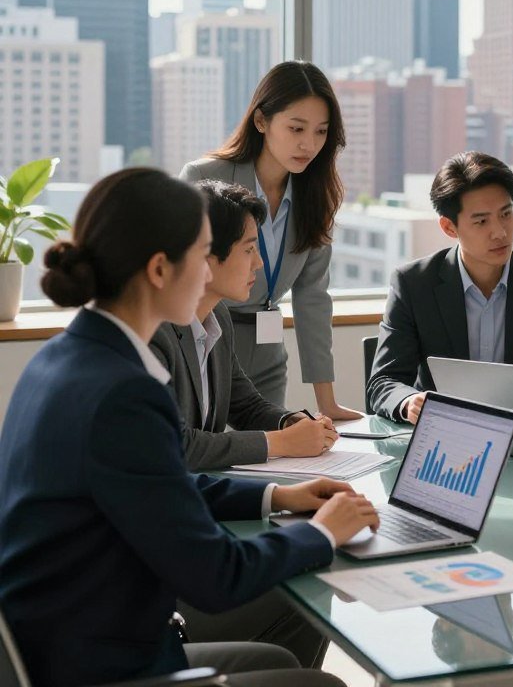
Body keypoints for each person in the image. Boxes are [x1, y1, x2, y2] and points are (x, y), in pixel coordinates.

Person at [0, 168, 379, 687]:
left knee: (283, 664)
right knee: (323, 685)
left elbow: (157, 484)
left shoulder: (64, 358)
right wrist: (322, 533)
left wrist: (277, 497)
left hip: (69, 641)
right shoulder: (123, 392)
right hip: (108, 666)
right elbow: (216, 577)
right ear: (160, 269)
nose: (209, 272)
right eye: (203, 254)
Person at [182, 60, 359, 419]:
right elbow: (177, 272)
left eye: (321, 132)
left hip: (268, 349)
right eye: (296, 128)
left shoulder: (317, 195)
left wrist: (327, 403)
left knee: (270, 458)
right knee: (209, 453)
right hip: (206, 339)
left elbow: (313, 297)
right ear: (262, 121)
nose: (308, 144)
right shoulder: (205, 176)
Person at [367, 152, 513, 424]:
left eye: (506, 214)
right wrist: (408, 402)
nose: (500, 232)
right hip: (443, 433)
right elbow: (384, 382)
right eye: (481, 221)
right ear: (449, 227)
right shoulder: (414, 284)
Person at [150, 179, 339, 471]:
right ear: (206, 256)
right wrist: (282, 443)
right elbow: (176, 445)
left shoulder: (218, 316)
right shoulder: (154, 332)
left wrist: (291, 422)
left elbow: (245, 405)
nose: (259, 263)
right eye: (249, 249)